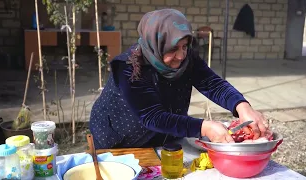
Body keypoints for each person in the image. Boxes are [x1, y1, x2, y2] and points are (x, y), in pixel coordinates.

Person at [89, 9, 269, 149]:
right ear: (156, 44)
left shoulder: (187, 57)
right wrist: (204, 127)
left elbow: (212, 84)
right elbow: (153, 117)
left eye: (185, 46)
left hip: (162, 136)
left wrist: (242, 107)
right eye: (173, 48)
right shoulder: (129, 67)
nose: (181, 55)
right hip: (120, 140)